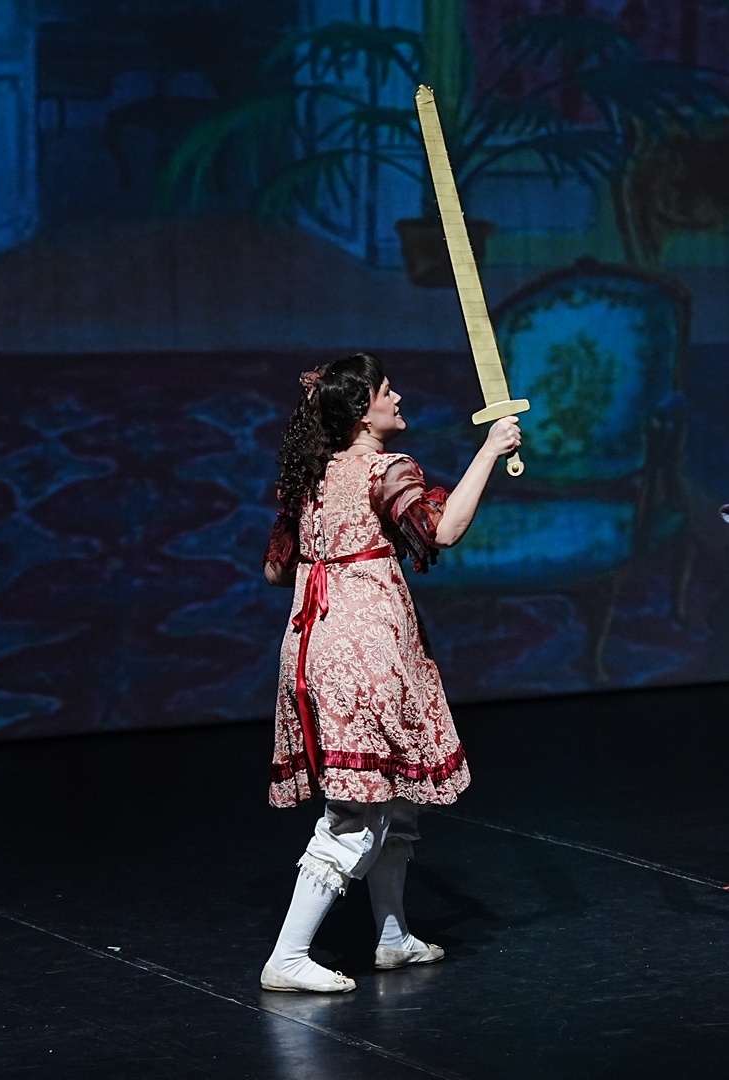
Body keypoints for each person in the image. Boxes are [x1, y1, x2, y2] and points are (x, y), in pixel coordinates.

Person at [259, 352, 521, 993]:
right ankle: (288, 956)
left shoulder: (313, 477)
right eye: (385, 390)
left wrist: (341, 562)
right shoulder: (384, 470)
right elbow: (444, 530)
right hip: (364, 655)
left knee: (396, 800)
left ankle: (393, 936)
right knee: (356, 813)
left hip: (317, 645)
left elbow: (276, 570)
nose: (396, 397)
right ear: (361, 410)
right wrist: (491, 450)